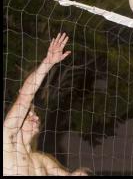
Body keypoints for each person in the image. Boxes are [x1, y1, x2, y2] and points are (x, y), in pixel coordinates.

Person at [3, 33, 89, 176]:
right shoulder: (7, 143)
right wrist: (48, 62)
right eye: (29, 114)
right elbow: (25, 96)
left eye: (34, 114)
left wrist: (80, 174)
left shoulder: (42, 160)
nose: (36, 117)